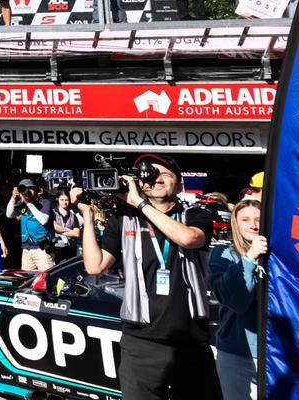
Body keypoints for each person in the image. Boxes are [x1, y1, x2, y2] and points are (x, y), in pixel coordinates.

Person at [77, 155, 222, 399]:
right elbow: (94, 266)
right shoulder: (123, 220)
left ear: (179, 185)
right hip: (140, 340)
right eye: (149, 174)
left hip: (190, 340)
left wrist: (140, 204)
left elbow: (189, 239)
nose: (155, 179)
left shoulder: (196, 214)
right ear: (140, 183)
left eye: (164, 174)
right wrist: (88, 218)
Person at [209, 198, 265, 400]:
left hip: (276, 351)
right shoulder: (222, 254)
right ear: (235, 223)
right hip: (236, 353)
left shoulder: (281, 256)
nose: (253, 225)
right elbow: (236, 301)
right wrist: (250, 258)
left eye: (258, 218)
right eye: (245, 219)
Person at [7, 178, 55, 271]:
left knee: (46, 278)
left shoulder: (44, 202)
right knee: (27, 280)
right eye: (24, 189)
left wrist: (29, 203)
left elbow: (43, 220)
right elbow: (9, 215)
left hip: (42, 249)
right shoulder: (21, 203)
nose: (27, 191)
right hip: (27, 248)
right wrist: (13, 198)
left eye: (30, 188)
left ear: (37, 190)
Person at [50, 190, 82, 262]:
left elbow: (76, 233)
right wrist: (70, 231)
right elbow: (55, 228)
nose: (64, 202)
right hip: (57, 249)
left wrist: (60, 231)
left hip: (70, 249)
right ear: (58, 199)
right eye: (62, 200)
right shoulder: (53, 213)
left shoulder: (73, 216)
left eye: (66, 200)